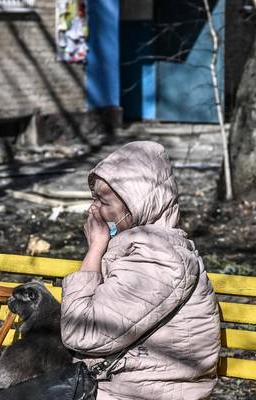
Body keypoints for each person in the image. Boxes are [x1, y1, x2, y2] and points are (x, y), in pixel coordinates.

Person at [62, 141, 221, 399]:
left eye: (103, 201)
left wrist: (94, 249)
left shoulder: (159, 259)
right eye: (93, 199)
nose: (94, 210)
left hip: (139, 391)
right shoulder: (138, 249)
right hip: (113, 385)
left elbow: (81, 332)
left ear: (135, 204)